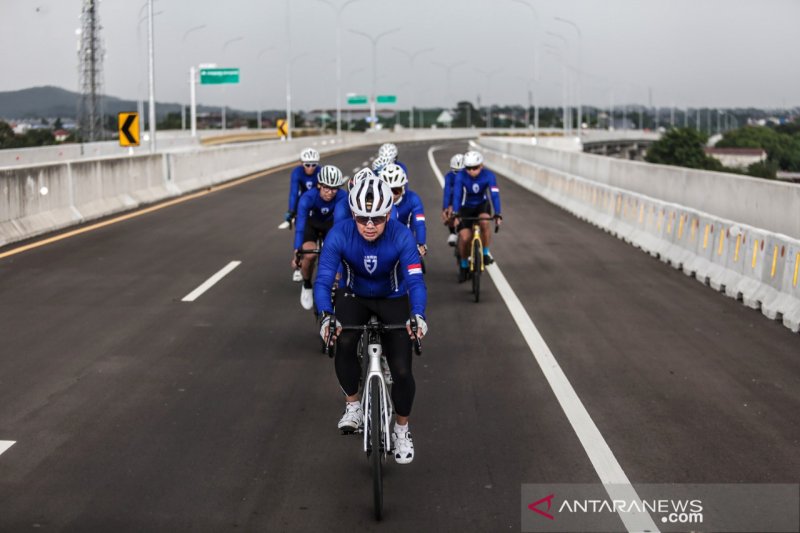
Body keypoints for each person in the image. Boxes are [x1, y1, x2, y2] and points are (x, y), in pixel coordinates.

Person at [315, 177, 428, 464]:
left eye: (377, 218)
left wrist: (418, 315)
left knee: (402, 369)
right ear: (353, 214)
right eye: (362, 217)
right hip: (354, 295)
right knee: (344, 339)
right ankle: (352, 405)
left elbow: (415, 281)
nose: (369, 224)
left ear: (388, 214)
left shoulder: (402, 236)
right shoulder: (338, 235)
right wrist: (326, 316)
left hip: (394, 297)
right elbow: (324, 279)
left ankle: (402, 430)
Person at [292, 165, 348, 310]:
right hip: (311, 224)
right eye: (326, 188)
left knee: (337, 253)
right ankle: (307, 284)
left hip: (332, 224)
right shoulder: (308, 197)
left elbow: (341, 228)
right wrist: (297, 252)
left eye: (334, 188)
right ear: (319, 185)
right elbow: (300, 227)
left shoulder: (343, 197)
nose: (330, 192)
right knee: (309, 254)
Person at [452, 150, 503, 282]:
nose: (471, 171)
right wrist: (455, 213)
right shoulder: (461, 176)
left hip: (482, 204)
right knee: (465, 237)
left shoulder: (489, 176)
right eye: (468, 168)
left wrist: (498, 213)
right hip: (465, 207)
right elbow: (457, 195)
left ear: (481, 165)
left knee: (485, 222)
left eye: (475, 168)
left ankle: (485, 253)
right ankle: (463, 265)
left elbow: (494, 195)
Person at [379, 163, 427, 259]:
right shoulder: (376, 201)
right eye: (388, 190)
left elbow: (420, 224)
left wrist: (421, 243)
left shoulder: (413, 199)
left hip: (406, 241)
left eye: (396, 190)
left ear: (403, 188)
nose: (392, 195)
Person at [283, 148, 321, 230]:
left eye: (314, 165)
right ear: (301, 163)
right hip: (303, 197)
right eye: (307, 165)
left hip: (318, 197)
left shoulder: (321, 171)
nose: (310, 168)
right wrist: (291, 210)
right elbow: (294, 193)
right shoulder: (296, 172)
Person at [442, 153, 464, 246]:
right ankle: (453, 232)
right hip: (454, 199)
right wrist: (445, 207)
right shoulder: (449, 176)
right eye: (456, 171)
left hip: (466, 199)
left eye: (461, 171)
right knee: (450, 212)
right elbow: (447, 192)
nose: (458, 175)